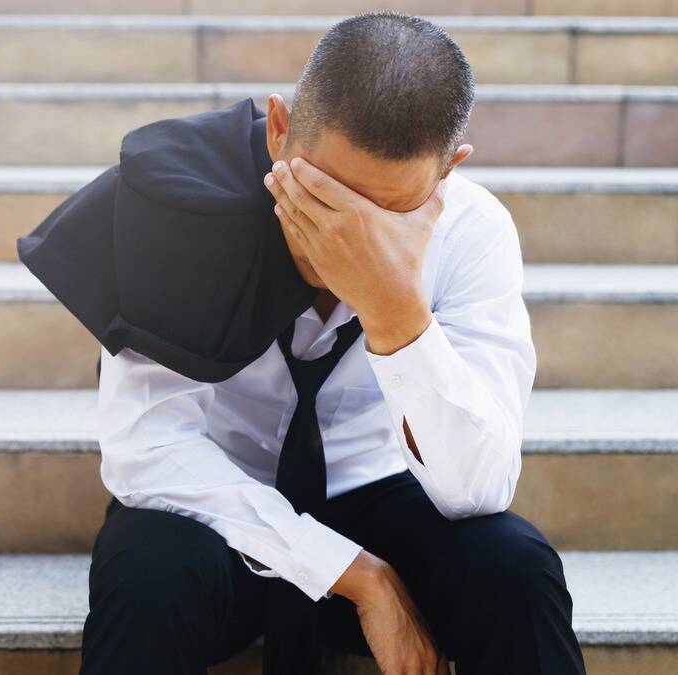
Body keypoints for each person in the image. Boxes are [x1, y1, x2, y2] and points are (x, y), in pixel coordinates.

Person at [76, 11, 587, 675]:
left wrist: (395, 312)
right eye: (324, 193)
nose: (345, 233)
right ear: (279, 128)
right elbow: (147, 452)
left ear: (446, 171)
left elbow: (478, 489)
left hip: (380, 489)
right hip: (220, 505)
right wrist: (355, 574)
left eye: (385, 213)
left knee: (515, 567)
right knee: (148, 576)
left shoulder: (472, 230)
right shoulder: (181, 207)